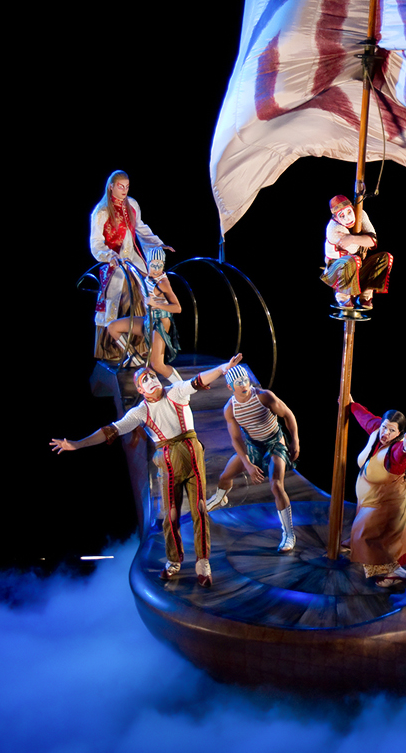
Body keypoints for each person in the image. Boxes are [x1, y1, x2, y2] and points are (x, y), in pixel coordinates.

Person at [50, 354, 243, 587]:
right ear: (140, 389)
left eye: (152, 375)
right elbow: (112, 430)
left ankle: (203, 561)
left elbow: (197, 380)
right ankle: (174, 560)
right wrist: (77, 443)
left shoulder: (175, 391)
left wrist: (223, 368)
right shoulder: (140, 412)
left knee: (200, 509)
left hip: (192, 455)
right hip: (168, 462)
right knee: (170, 515)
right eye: (145, 379)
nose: (151, 379)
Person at [204, 365, 301, 553]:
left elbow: (288, 414)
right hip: (253, 445)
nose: (244, 385)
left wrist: (295, 440)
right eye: (238, 382)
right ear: (230, 387)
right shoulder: (230, 409)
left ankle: (289, 534)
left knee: (276, 485)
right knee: (225, 476)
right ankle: (220, 499)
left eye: (246, 380)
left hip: (275, 443)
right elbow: (236, 439)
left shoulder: (264, 396)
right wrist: (248, 465)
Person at [343, 395, 406, 588]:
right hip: (374, 497)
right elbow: (366, 418)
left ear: (400, 433)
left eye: (391, 430)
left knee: (366, 534)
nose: (385, 432)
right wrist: (352, 405)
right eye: (384, 426)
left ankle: (393, 573)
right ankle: (357, 543)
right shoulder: (379, 431)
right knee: (368, 532)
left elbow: (399, 458)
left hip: (389, 503)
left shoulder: (395, 449)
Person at [89, 170, 173, 332]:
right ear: (111, 187)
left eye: (127, 186)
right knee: (115, 289)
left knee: (148, 284)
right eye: (120, 186)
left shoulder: (132, 205)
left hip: (132, 255)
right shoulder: (102, 212)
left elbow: (141, 228)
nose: (124, 190)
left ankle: (146, 332)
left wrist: (158, 244)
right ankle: (110, 334)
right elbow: (95, 242)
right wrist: (109, 255)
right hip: (115, 257)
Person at [105, 251, 183, 375]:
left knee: (157, 365)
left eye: (160, 265)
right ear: (147, 264)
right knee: (112, 327)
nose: (156, 269)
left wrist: (156, 304)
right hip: (148, 320)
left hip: (160, 323)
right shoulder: (148, 276)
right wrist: (126, 263)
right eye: (153, 265)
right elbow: (140, 275)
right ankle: (133, 356)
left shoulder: (163, 283)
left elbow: (178, 308)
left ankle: (181, 388)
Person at [320, 195, 392, 309]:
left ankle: (365, 295)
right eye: (342, 216)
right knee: (352, 260)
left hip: (357, 267)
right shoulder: (333, 229)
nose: (348, 218)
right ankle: (343, 295)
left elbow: (373, 241)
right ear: (336, 218)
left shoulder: (360, 214)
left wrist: (352, 238)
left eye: (349, 212)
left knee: (385, 257)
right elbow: (354, 249)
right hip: (338, 272)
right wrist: (363, 239)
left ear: (352, 208)